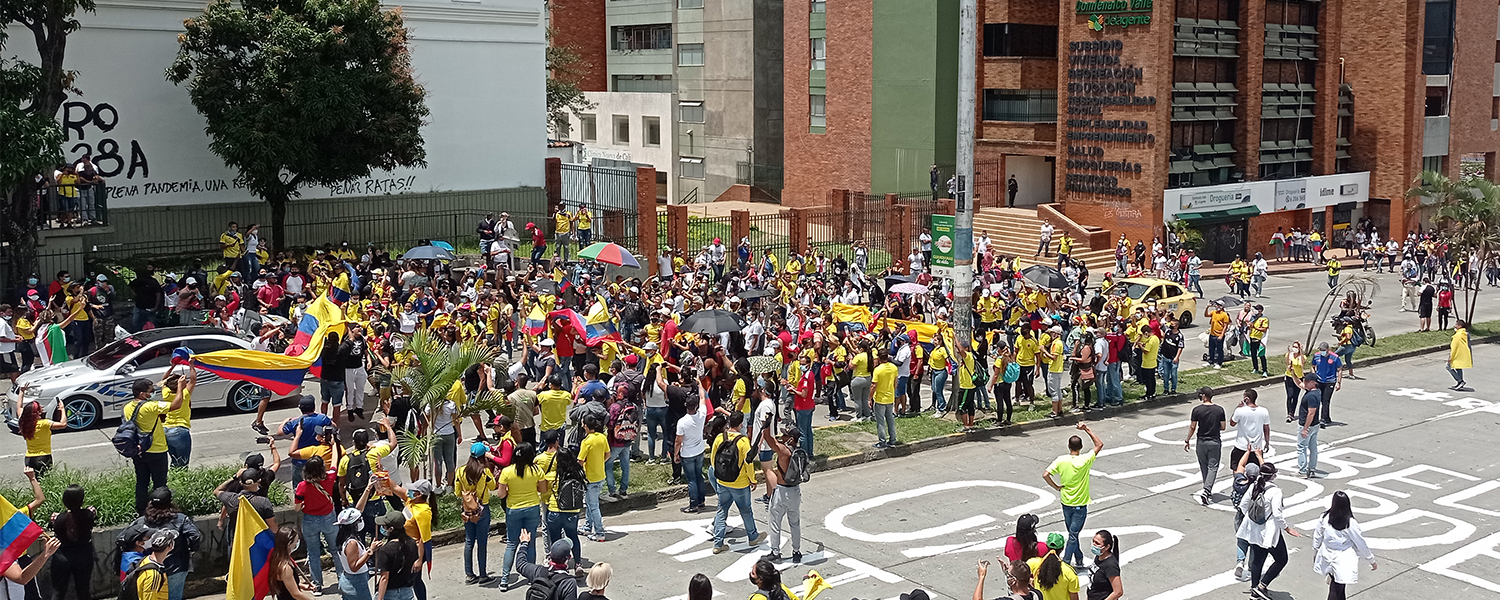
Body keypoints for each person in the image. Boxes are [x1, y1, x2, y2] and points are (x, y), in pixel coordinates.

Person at [117, 488, 201, 600]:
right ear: (170, 503)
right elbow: (195, 535)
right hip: (175, 568)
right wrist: (191, 550)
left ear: (150, 503)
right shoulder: (181, 519)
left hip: (149, 569)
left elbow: (122, 538)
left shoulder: (141, 521)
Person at [124, 368, 188, 514]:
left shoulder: (128, 407)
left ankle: (141, 511)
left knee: (142, 482)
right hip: (156, 450)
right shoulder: (150, 406)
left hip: (139, 450)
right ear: (142, 394)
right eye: (151, 390)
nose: (153, 393)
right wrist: (179, 388)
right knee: (160, 484)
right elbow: (176, 405)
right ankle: (160, 511)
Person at [1043, 423, 1103, 569]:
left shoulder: (1061, 460)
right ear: (1081, 447)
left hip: (1065, 502)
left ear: (1069, 447)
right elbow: (1099, 444)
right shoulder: (1085, 460)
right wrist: (1087, 429)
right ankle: (1066, 563)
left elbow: (1046, 474)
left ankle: (1079, 557)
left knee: (1072, 534)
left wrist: (1056, 486)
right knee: (1073, 535)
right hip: (1079, 504)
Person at [1237, 463, 1301, 598]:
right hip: (1269, 532)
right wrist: (1287, 529)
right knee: (1281, 559)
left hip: (1253, 530)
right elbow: (1277, 515)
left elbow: (1243, 506)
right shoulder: (1275, 491)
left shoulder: (1254, 486)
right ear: (1272, 476)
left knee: (1257, 560)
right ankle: (1262, 586)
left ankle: (1254, 591)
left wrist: (1253, 520)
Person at [711, 412, 764, 554]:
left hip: (723, 481)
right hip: (739, 483)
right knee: (746, 511)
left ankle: (718, 543)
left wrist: (719, 474)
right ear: (741, 424)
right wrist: (752, 480)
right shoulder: (743, 441)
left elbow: (712, 459)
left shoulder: (720, 438)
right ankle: (753, 536)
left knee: (722, 511)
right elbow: (748, 463)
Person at [497, 442, 547, 589]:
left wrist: (509, 490)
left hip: (513, 509)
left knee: (511, 544)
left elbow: (501, 494)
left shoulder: (507, 471)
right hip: (532, 508)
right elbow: (543, 489)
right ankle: (531, 576)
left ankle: (505, 580)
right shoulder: (536, 470)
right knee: (530, 542)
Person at [1313, 491, 1378, 600]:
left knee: (1338, 588)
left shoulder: (1325, 517)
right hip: (1343, 559)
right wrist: (1371, 560)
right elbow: (1360, 543)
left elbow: (1317, 537)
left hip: (1327, 555)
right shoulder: (1350, 523)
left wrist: (1315, 554)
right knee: (1337, 589)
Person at [295, 455, 340, 595]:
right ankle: (343, 579)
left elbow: (296, 508)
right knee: (335, 550)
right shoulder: (329, 478)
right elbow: (334, 463)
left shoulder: (302, 486)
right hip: (329, 518)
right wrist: (333, 445)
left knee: (313, 553)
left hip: (310, 520)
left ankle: (317, 585)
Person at [455, 443, 497, 585]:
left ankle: (470, 574)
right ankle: (483, 575)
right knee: (482, 543)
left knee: (469, 541)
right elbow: (493, 487)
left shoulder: (460, 471)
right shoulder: (485, 472)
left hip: (467, 510)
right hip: (482, 509)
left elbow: (456, 491)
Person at [762, 423, 803, 563]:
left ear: (791, 439)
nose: (782, 437)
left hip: (782, 492)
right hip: (795, 492)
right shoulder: (799, 452)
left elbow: (768, 438)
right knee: (795, 523)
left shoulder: (784, 451)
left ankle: (775, 552)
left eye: (785, 435)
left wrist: (766, 424)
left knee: (775, 522)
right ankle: (796, 551)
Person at [1184, 386, 1226, 505]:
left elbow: (1193, 426)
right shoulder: (1219, 410)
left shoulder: (1197, 410)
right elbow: (1223, 427)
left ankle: (1206, 487)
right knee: (1213, 467)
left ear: (1203, 396)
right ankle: (1207, 490)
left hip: (1201, 441)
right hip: (1214, 441)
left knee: (1204, 465)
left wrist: (1187, 440)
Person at [335, 485, 377, 600]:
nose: (361, 521)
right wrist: (370, 551)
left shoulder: (343, 535)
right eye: (359, 519)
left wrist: (368, 488)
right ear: (354, 524)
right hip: (356, 582)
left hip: (349, 579)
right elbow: (354, 566)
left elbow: (359, 510)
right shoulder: (351, 543)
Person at [14, 390, 67, 477]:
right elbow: (63, 424)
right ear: (37, 412)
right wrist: (62, 409)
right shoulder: (44, 424)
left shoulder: (24, 422)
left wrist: (21, 391)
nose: (42, 407)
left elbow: (19, 407)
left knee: (34, 482)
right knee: (45, 483)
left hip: (29, 458)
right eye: (40, 407)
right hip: (43, 457)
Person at [514, 529, 579, 600]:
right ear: (569, 557)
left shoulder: (538, 571)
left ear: (550, 556)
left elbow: (520, 564)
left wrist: (524, 543)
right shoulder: (569, 583)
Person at [370, 511, 418, 600]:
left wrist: (379, 598)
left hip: (390, 593)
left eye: (384, 526)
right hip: (407, 590)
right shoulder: (411, 543)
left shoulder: (386, 550)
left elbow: (384, 578)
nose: (383, 528)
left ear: (391, 529)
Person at [578, 416, 609, 542]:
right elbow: (608, 454)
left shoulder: (586, 442)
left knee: (593, 505)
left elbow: (580, 460)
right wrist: (599, 462)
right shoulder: (602, 437)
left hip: (590, 478)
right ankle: (587, 526)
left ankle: (599, 532)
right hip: (600, 475)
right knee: (591, 504)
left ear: (585, 425)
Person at [162, 366, 198, 469]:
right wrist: (191, 365)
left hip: (166, 429)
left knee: (174, 460)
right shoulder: (185, 394)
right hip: (180, 430)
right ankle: (181, 481)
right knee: (183, 462)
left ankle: (172, 480)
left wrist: (172, 366)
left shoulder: (166, 394)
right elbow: (193, 379)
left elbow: (163, 381)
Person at [1026, 534, 1079, 600]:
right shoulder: (1069, 572)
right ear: (1062, 549)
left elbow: (1018, 572)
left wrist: (1030, 580)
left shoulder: (1033, 563)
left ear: (1047, 547)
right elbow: (1074, 597)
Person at [1294, 374, 1322, 478]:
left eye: (1307, 381)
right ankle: (1312, 469)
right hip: (1315, 425)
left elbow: (1311, 413)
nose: (1304, 382)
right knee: (1313, 447)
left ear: (1313, 383)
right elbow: (1299, 384)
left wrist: (1305, 428)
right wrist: (1293, 373)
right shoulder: (1316, 391)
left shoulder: (1311, 396)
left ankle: (1302, 471)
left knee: (1302, 447)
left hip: (1307, 425)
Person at [871, 348, 899, 448]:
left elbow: (874, 386)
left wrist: (869, 398)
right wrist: (892, 392)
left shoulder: (878, 370)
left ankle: (882, 441)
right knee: (890, 419)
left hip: (880, 398)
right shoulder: (893, 367)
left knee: (880, 421)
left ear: (878, 358)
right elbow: (896, 382)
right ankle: (892, 439)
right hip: (890, 397)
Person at [1310, 342, 1342, 428]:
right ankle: (1326, 417)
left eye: (1323, 350)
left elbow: (1339, 369)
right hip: (1319, 381)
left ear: (1328, 349)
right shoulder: (1316, 356)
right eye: (1320, 350)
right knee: (1319, 400)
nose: (1322, 352)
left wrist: (1339, 382)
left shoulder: (1335, 357)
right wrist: (1314, 376)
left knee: (1325, 400)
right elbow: (1313, 366)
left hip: (1330, 381)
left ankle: (1323, 419)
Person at [1086, 530, 1122, 600]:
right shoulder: (1098, 557)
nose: (1094, 544)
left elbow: (1118, 592)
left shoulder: (1110, 565)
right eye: (1093, 541)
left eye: (1097, 543)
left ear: (1107, 547)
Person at [1282, 342, 1306, 423]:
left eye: (1296, 347)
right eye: (1294, 346)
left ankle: (1292, 413)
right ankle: (1289, 413)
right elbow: (1287, 362)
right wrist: (1289, 352)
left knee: (1295, 396)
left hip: (1299, 378)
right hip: (1289, 377)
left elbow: (1302, 363)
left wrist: (1301, 352)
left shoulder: (1302, 357)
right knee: (1290, 395)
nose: (1294, 348)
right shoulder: (1289, 355)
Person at [1447, 319, 1471, 391]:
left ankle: (1460, 381)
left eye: (1456, 325)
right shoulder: (1464, 333)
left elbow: (1454, 346)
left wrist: (1451, 356)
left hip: (1456, 354)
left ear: (1460, 326)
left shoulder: (1457, 335)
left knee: (1449, 367)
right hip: (1462, 353)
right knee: (1458, 367)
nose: (1455, 326)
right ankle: (1459, 383)